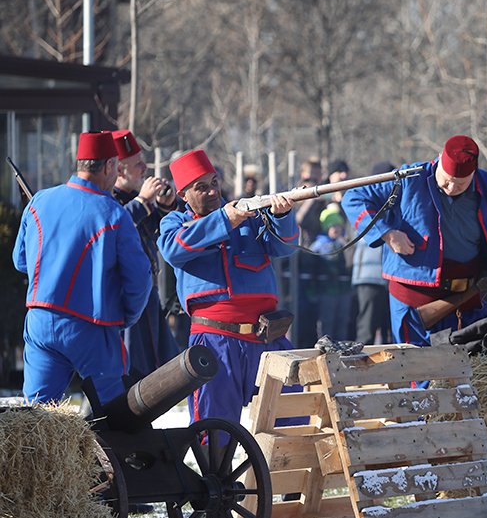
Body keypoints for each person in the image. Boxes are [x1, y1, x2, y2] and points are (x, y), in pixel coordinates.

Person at [157, 149, 300, 422]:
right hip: (215, 341)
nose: (212, 191)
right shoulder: (175, 221)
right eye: (201, 187)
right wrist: (225, 221)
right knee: (214, 431)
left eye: (214, 182)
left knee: (292, 420)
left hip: (267, 337)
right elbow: (173, 249)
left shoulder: (249, 215)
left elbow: (285, 247)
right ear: (183, 195)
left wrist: (282, 216)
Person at [341, 135, 487, 346]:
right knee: (418, 372)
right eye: (447, 180)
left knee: (465, 373)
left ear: (473, 173)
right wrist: (388, 233)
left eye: (461, 184)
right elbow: (353, 197)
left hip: (467, 297)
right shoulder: (410, 176)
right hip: (413, 300)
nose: (452, 188)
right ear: (439, 159)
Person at [13, 131, 152, 404]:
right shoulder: (114, 213)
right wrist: (127, 317)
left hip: (40, 321)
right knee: (115, 418)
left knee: (37, 420)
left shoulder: (39, 201)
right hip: (92, 327)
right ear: (109, 166)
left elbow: (20, 261)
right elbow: (140, 279)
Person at [110, 129, 181, 377]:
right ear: (118, 171)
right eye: (137, 164)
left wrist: (166, 204)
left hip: (147, 294)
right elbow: (116, 227)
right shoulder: (109, 199)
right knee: (129, 370)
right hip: (124, 296)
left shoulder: (137, 198)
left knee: (155, 370)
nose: (144, 168)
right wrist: (143, 202)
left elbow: (155, 231)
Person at [351, 161, 395, 345]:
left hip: (390, 277)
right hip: (369, 279)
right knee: (367, 331)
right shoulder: (365, 202)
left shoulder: (394, 204)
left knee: (391, 333)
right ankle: (360, 370)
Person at [307, 204, 355, 341]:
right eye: (334, 226)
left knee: (343, 322)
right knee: (327, 324)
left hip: (343, 291)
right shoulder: (318, 246)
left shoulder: (344, 244)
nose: (337, 229)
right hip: (326, 291)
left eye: (339, 226)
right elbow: (310, 267)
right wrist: (312, 292)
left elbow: (349, 264)